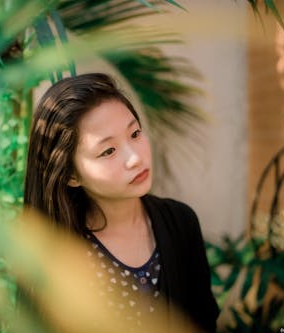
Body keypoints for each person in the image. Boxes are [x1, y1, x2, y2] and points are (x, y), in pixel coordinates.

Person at [24, 73, 219, 332]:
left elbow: (203, 321)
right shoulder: (54, 253)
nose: (134, 158)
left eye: (135, 133)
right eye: (108, 151)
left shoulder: (181, 222)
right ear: (70, 175)